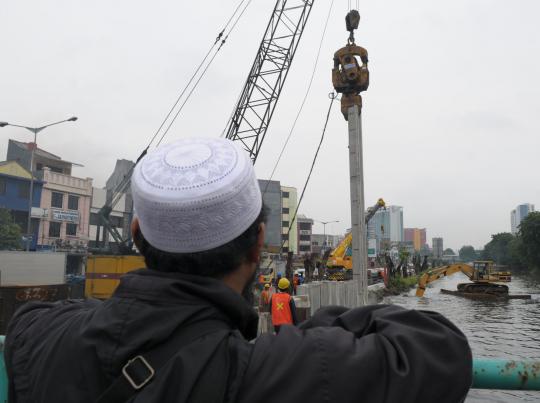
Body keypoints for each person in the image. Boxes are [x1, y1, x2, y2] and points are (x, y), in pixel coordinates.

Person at [5, 138, 472, 403]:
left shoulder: (38, 334)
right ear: (258, 244)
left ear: (135, 232)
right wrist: (330, 323)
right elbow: (438, 347)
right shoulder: (264, 374)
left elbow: (34, 318)